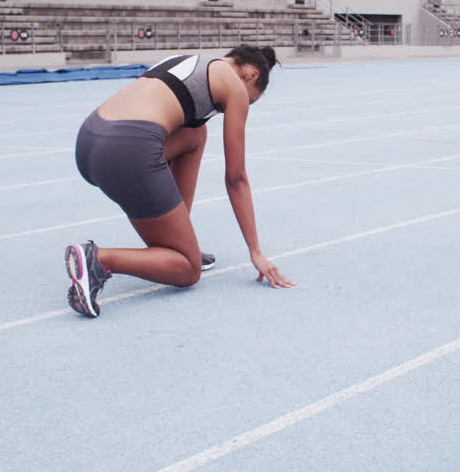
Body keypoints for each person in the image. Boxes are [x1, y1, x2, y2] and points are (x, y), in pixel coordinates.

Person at [65, 45, 294, 318]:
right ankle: (99, 259)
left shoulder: (185, 61)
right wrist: (256, 252)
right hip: (127, 151)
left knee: (195, 135)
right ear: (251, 75)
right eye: (251, 101)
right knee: (187, 270)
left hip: (90, 141)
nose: (241, 107)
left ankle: (183, 241)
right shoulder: (234, 86)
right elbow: (236, 178)